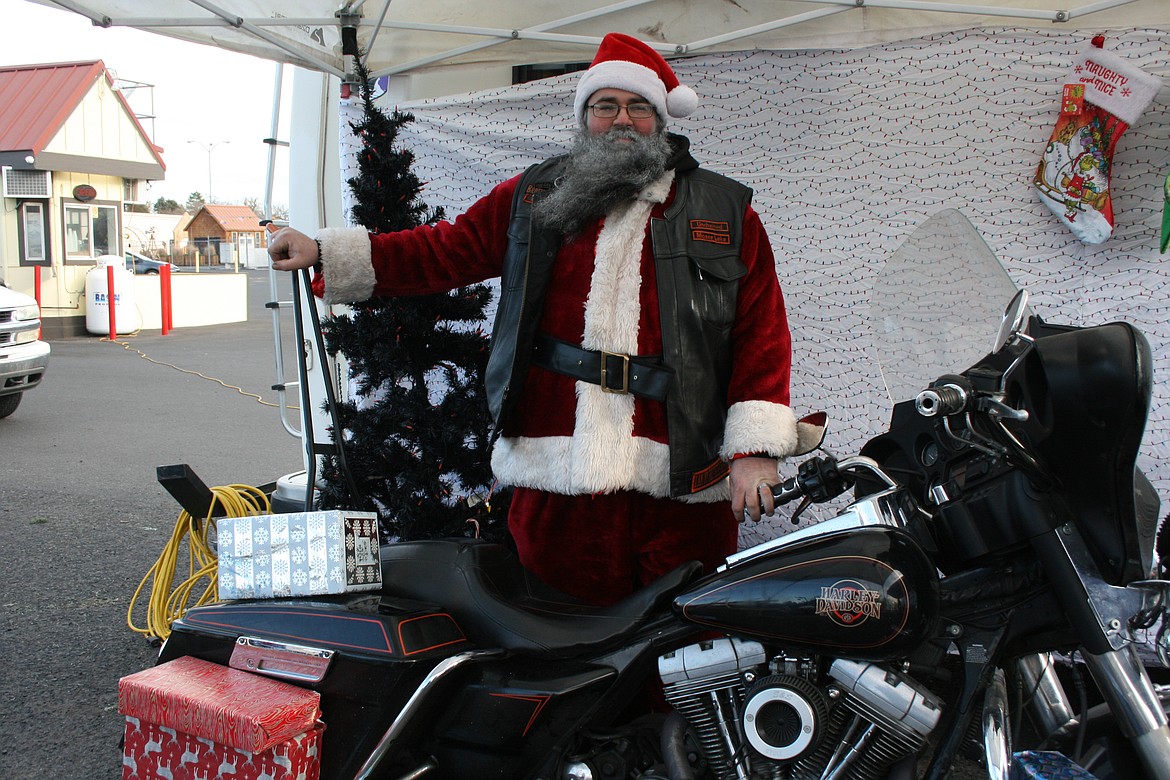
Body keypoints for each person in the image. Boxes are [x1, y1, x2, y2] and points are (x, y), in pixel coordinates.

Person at [269, 32, 818, 606]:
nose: (622, 119)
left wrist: (754, 450)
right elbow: (445, 250)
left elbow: (762, 334)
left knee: (685, 644)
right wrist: (328, 253)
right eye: (606, 106)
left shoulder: (724, 212)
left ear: (660, 117)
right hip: (557, 472)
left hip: (680, 476)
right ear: (585, 117)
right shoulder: (533, 196)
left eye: (637, 107)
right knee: (559, 642)